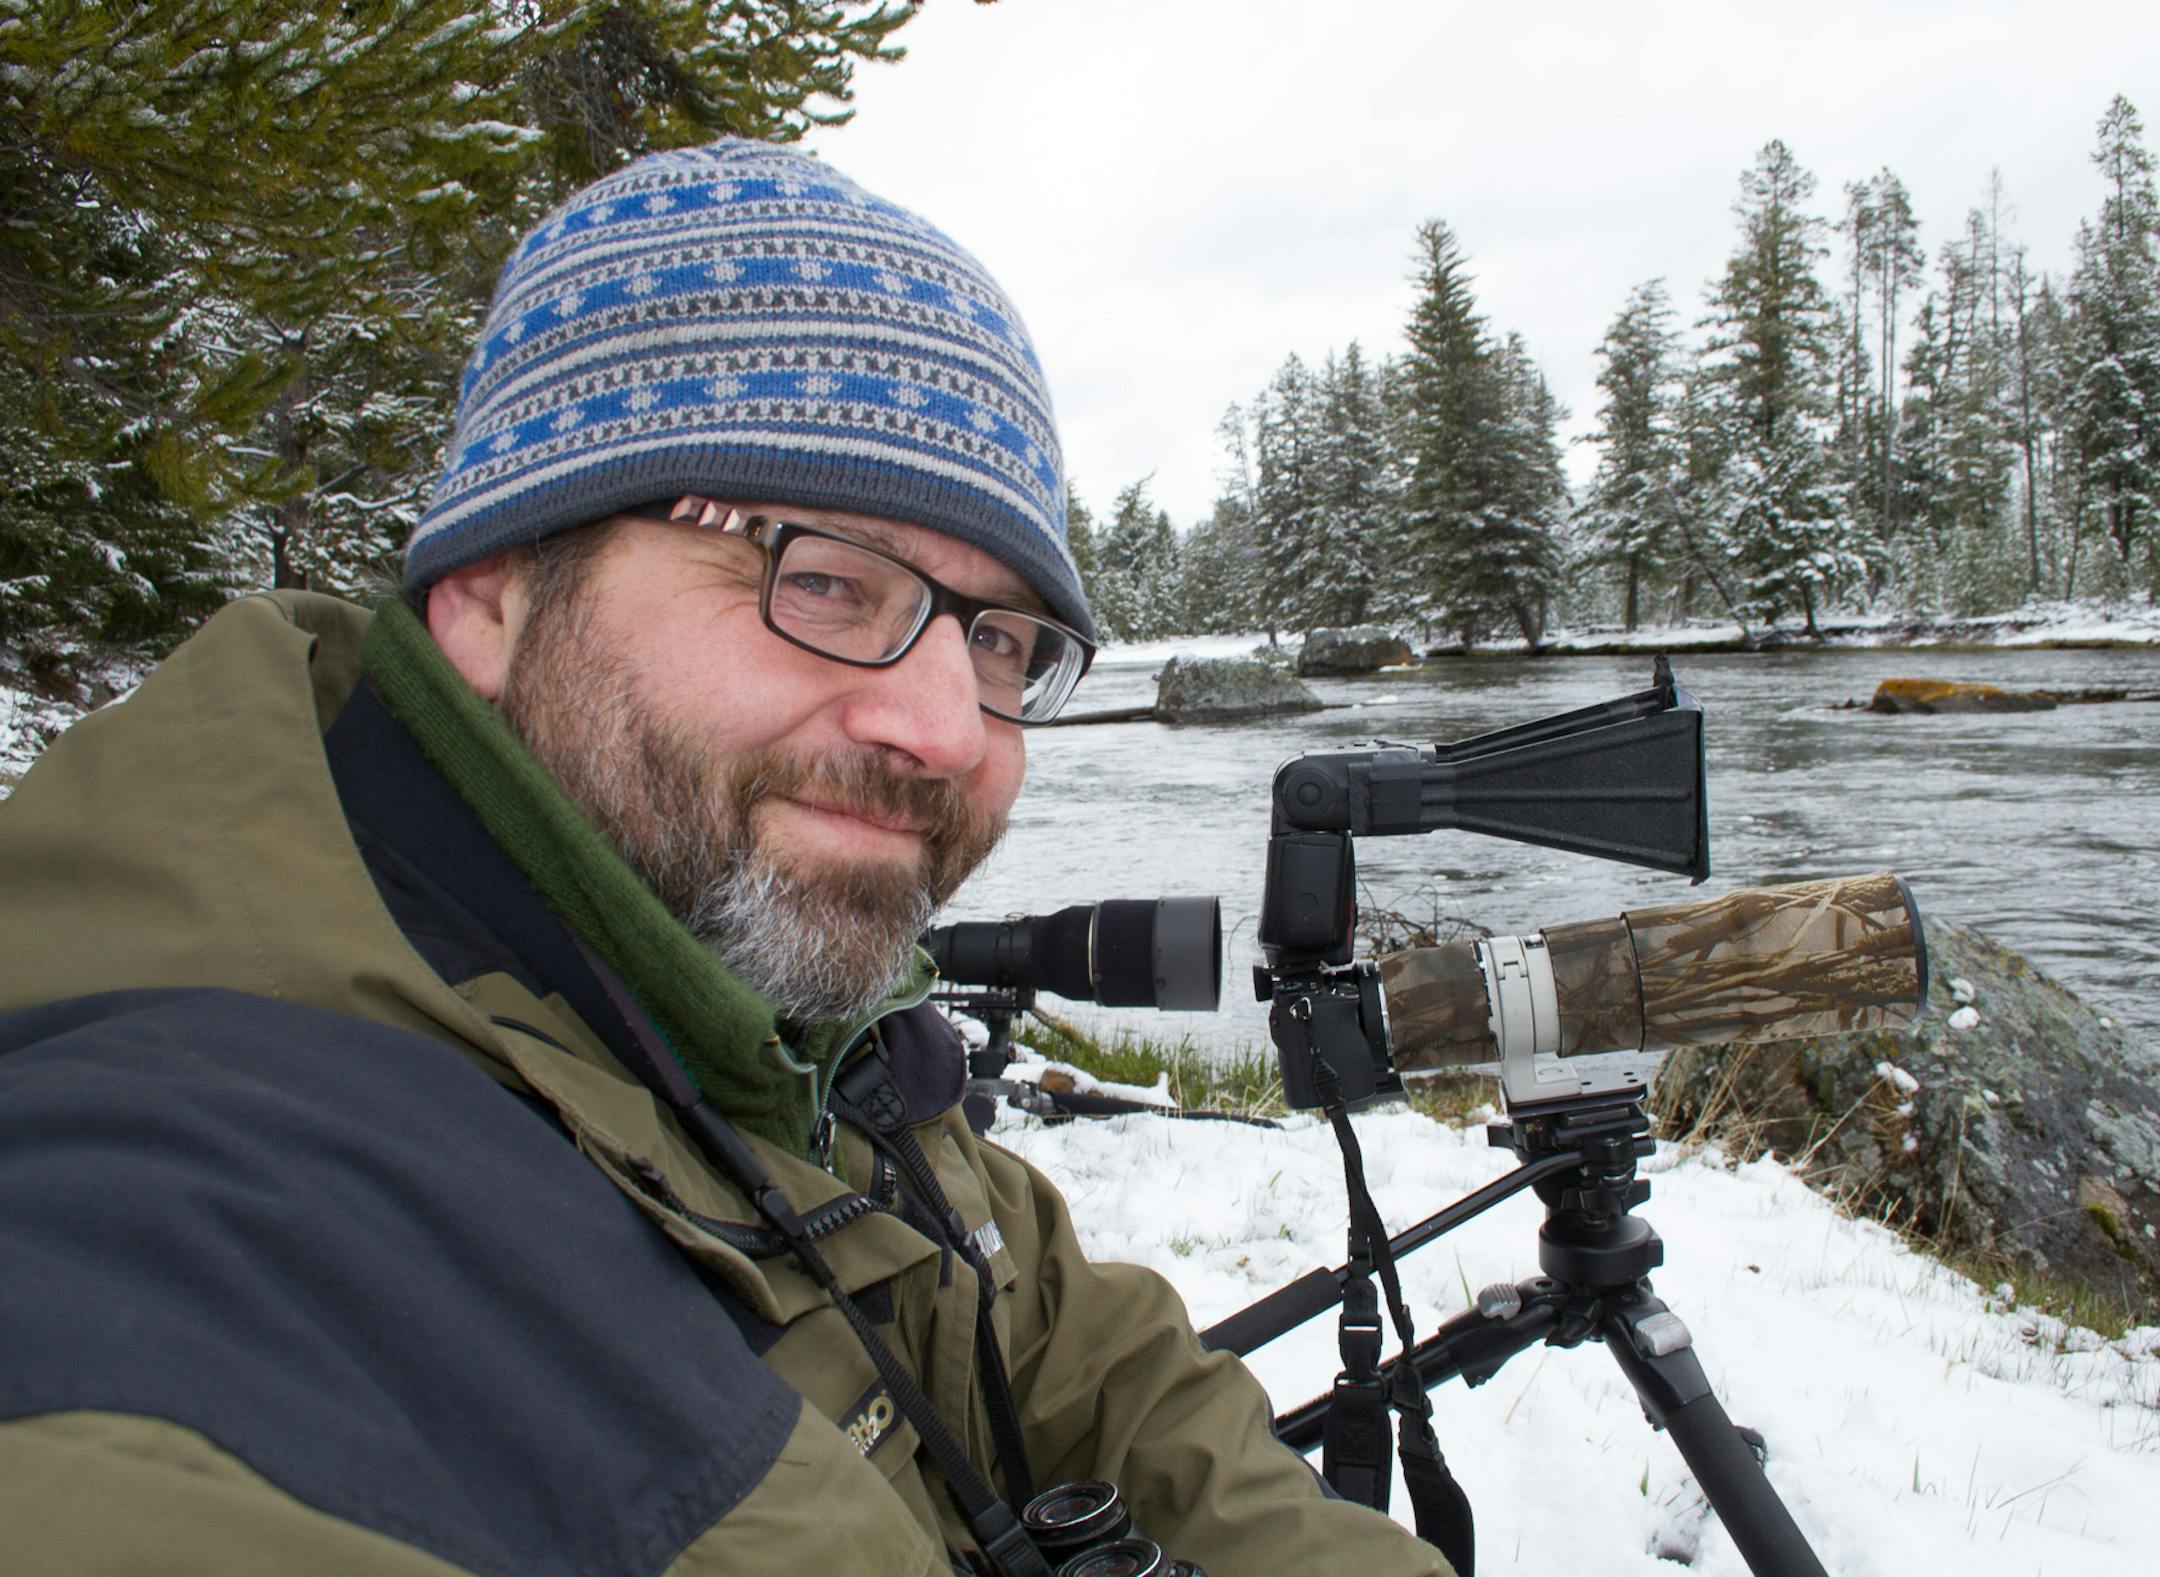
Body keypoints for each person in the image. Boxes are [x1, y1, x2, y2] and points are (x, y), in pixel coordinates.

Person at [0, 140, 1449, 1575]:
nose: (948, 728)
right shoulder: (190, 1206)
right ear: (493, 594)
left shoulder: (760, 1006)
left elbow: (1067, 1351)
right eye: (820, 576)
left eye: (998, 637)